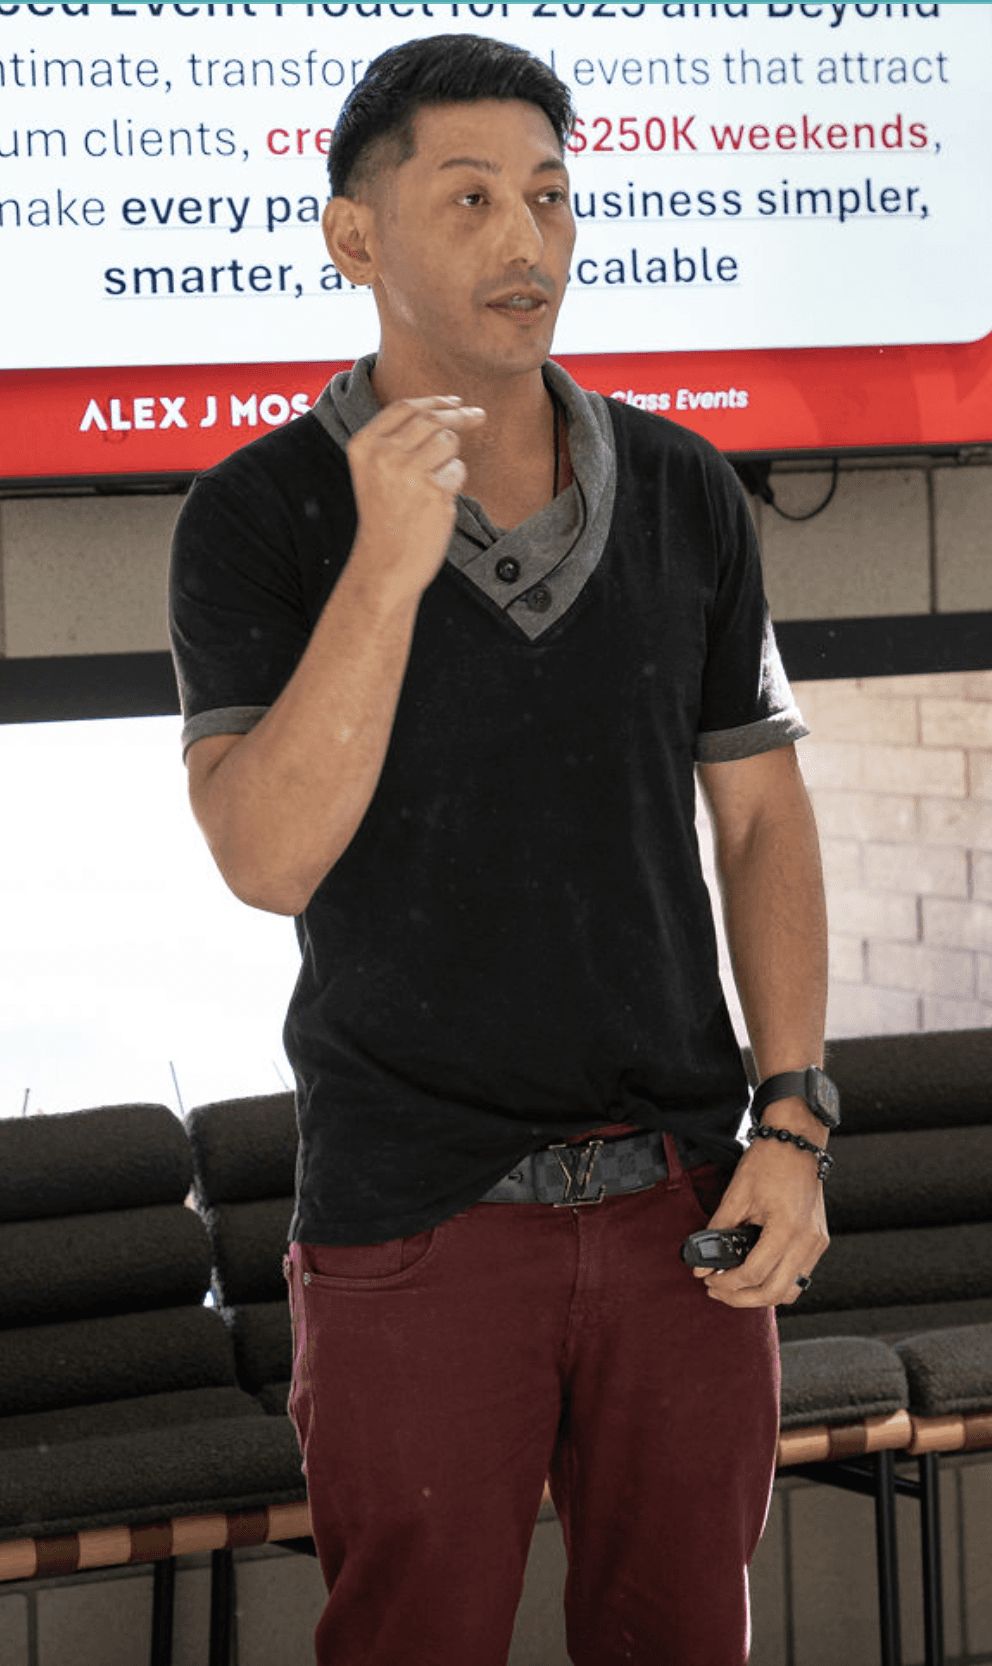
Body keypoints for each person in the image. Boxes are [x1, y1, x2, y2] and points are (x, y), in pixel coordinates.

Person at [168, 32, 834, 1665]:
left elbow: (759, 811)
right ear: (356, 237)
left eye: (549, 195)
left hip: (686, 1207)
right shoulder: (260, 513)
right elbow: (266, 856)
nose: (527, 241)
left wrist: (798, 1114)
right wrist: (388, 565)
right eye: (470, 198)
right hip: (413, 1220)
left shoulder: (686, 490)